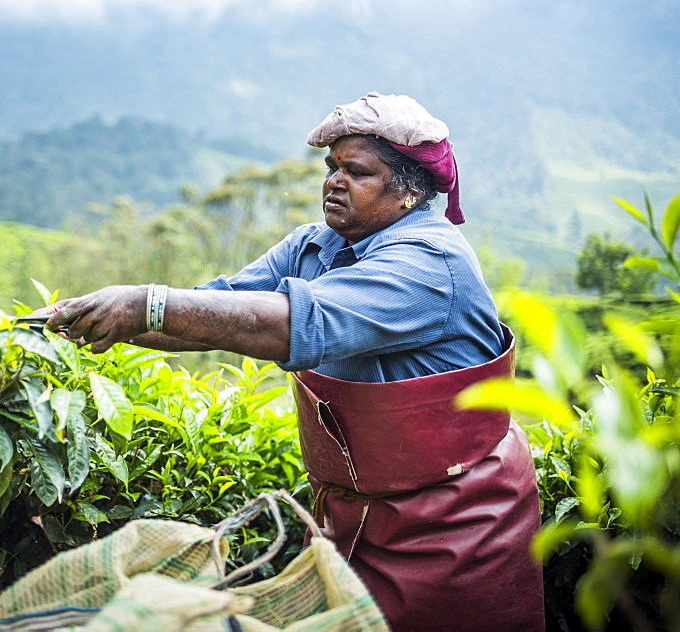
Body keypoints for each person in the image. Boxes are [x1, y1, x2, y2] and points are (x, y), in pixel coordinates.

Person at [35, 92, 544, 630]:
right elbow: (217, 307)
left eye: (357, 172)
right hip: (352, 514)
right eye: (332, 168)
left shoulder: (429, 264)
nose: (334, 182)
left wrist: (146, 303)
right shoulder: (314, 246)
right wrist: (93, 318)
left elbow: (286, 322)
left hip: (453, 525)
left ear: (409, 190)